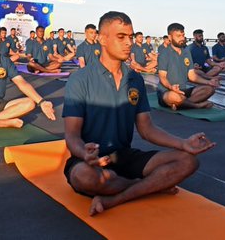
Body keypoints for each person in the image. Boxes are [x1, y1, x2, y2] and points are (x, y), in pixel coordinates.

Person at [63, 12, 215, 216]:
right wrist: (84, 153)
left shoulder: (135, 80)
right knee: (85, 177)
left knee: (188, 161)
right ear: (102, 39)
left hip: (123, 155)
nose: (129, 43)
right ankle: (146, 186)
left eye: (131, 37)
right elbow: (72, 135)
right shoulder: (80, 79)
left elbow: (147, 128)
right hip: (89, 160)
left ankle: (116, 198)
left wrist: (183, 143)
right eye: (121, 37)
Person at [157, 23, 219, 110]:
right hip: (168, 91)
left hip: (183, 91)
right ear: (170, 37)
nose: (182, 38)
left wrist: (208, 82)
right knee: (174, 97)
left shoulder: (186, 52)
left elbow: (192, 76)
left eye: (183, 35)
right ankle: (196, 105)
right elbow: (162, 77)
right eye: (178, 36)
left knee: (209, 89)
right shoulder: (164, 53)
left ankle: (181, 104)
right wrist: (171, 87)